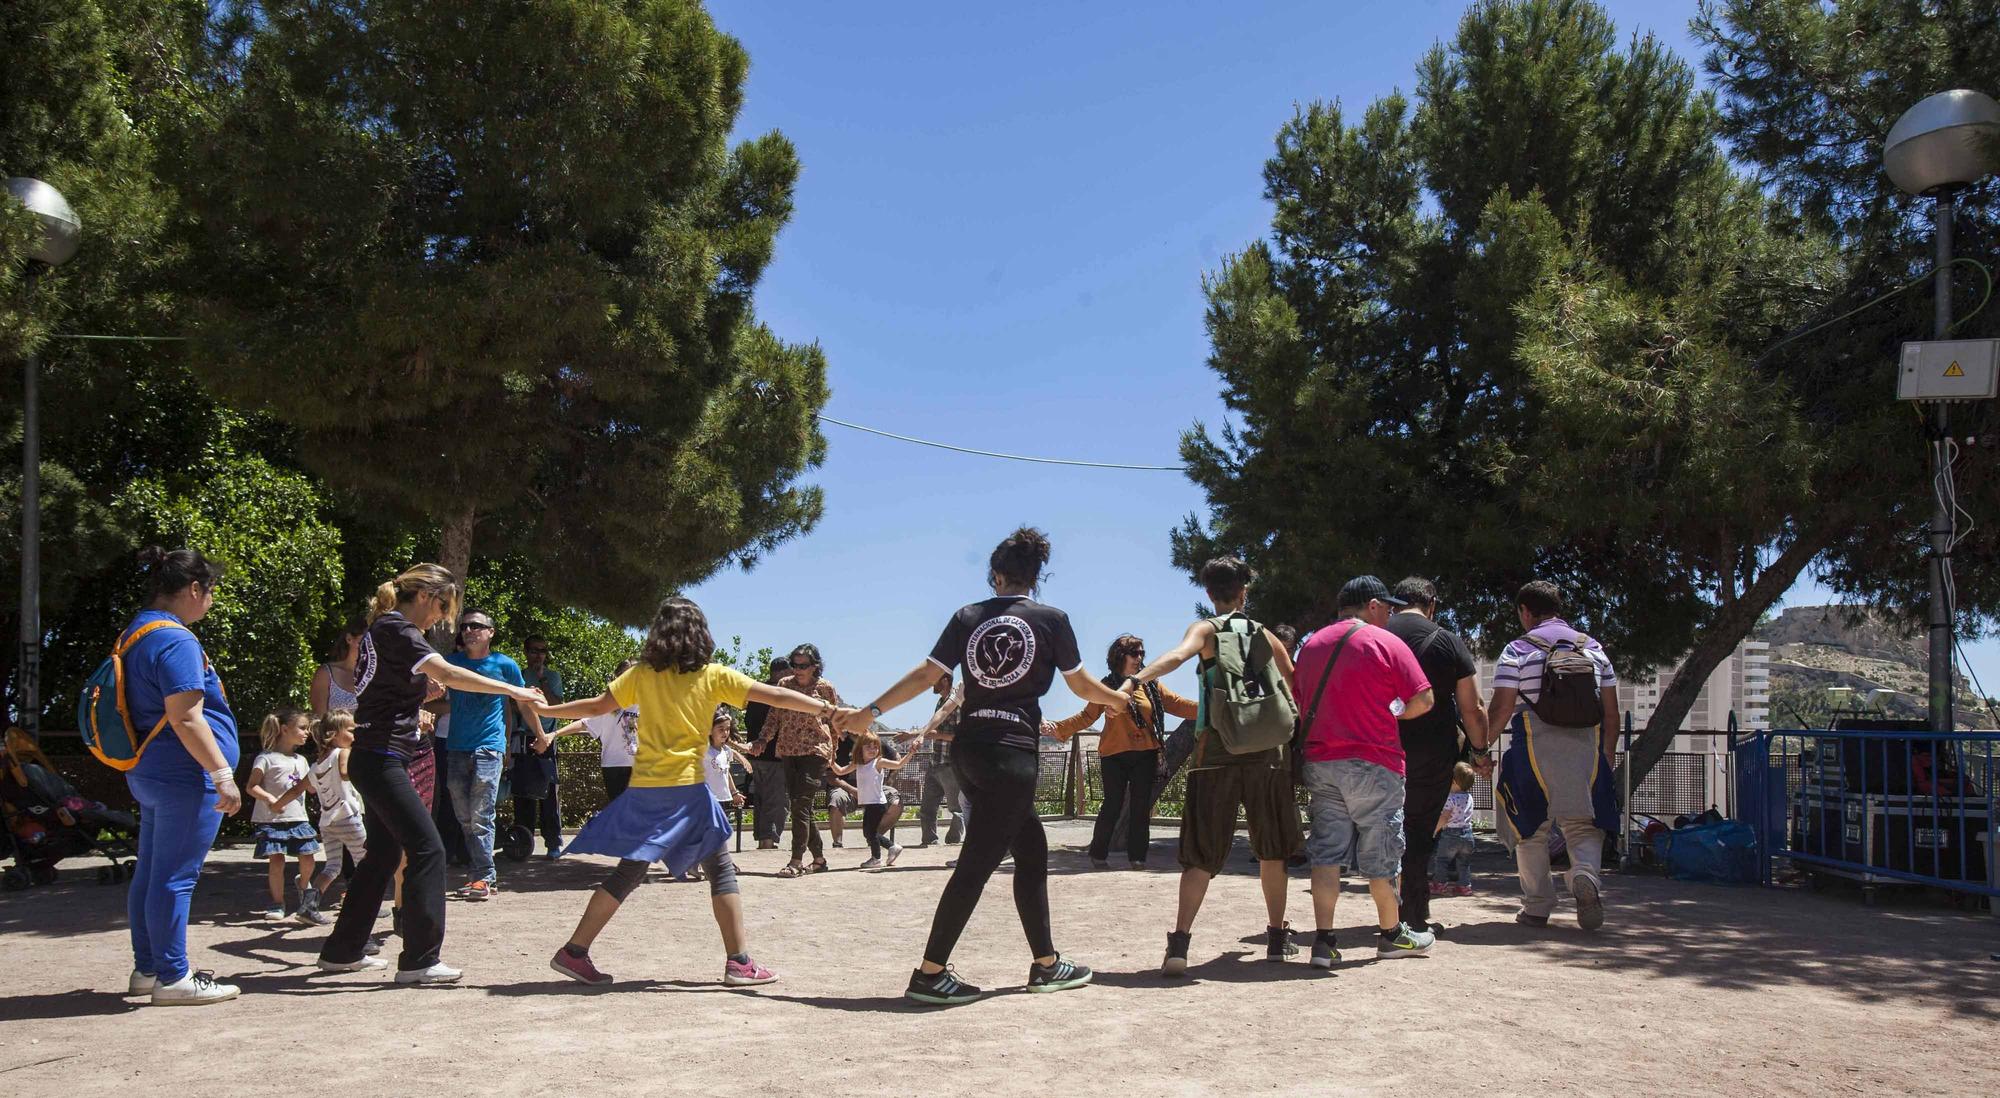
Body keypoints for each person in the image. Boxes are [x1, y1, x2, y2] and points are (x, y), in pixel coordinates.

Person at [839, 527, 1130, 1006]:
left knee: (1032, 850)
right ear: (1036, 577)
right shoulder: (1052, 619)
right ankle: (930, 974)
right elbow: (1080, 684)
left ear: (996, 575)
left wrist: (870, 711)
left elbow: (927, 674)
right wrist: (1115, 699)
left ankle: (1047, 964)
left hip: (970, 751)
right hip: (1012, 754)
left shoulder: (967, 616)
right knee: (976, 864)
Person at [537, 597, 845, 987]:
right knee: (721, 872)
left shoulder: (641, 675)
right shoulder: (713, 675)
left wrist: (548, 710)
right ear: (700, 634)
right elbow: (776, 696)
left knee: (628, 873)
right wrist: (827, 710)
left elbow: (598, 706)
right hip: (685, 791)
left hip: (646, 789)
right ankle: (739, 963)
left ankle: (574, 952)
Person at [315, 564, 545, 985]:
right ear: (424, 596)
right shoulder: (398, 630)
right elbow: (451, 674)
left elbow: (401, 687)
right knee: (428, 848)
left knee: (383, 854)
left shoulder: (380, 631)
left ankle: (342, 950)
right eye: (442, 607)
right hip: (381, 756)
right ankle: (420, 960)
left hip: (378, 755)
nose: (441, 618)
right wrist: (514, 690)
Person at [1125, 558, 1302, 975]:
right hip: (1268, 754)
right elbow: (1292, 680)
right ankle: (1277, 938)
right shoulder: (1264, 634)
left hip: (1216, 751)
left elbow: (1177, 656)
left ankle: (1180, 944)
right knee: (1272, 848)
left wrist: (1136, 681)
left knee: (1202, 852)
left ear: (1208, 593)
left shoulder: (1206, 629)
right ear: (1245, 591)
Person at [1293, 575, 1438, 967]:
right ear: (1372, 605)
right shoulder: (1387, 642)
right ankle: (1392, 935)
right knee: (1383, 851)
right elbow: (1424, 699)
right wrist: (1393, 710)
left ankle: (1323, 941)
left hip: (1321, 762)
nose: (1391, 614)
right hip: (1376, 761)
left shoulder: (1311, 647)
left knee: (1326, 851)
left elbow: (1299, 701)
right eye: (1388, 607)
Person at [120, 547, 243, 1005]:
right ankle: (173, 976)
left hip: (151, 771)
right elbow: (187, 718)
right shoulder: (176, 639)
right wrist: (221, 774)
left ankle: (148, 969)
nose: (210, 601)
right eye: (210, 592)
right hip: (183, 776)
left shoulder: (137, 631)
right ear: (194, 589)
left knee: (153, 873)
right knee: (175, 878)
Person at [1483, 580, 1621, 931]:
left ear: (1525, 612)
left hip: (1533, 744)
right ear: (1558, 608)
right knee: (1584, 824)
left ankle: (1537, 906)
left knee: (1531, 830)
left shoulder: (1517, 649)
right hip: (1585, 746)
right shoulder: (1592, 648)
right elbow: (1611, 713)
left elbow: (1500, 709)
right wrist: (1606, 756)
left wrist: (1480, 748)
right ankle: (1585, 874)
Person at [1382, 577, 1487, 932]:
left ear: (1394, 603)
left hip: (1381, 743)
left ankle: (1388, 912)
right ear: (1432, 604)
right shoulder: (1448, 640)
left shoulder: (1378, 634)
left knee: (1382, 826)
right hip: (1432, 749)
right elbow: (1471, 708)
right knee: (1420, 830)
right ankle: (1412, 915)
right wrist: (1480, 750)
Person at [1046, 634, 1196, 870]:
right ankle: (1098, 854)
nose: (1139, 658)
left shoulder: (1151, 684)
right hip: (1113, 755)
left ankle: (1138, 858)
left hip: (1146, 753)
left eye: (1142, 654)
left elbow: (1176, 703)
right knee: (1112, 805)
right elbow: (1087, 717)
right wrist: (1058, 729)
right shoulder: (1106, 687)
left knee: (1140, 807)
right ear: (1119, 657)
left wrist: (1211, 708)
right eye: (1134, 653)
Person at [441, 609, 538, 899]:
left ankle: (484, 876)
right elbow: (431, 693)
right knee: (464, 815)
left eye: (476, 626)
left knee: (481, 813)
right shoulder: (451, 663)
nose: (469, 630)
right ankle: (480, 872)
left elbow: (521, 703)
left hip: (489, 747)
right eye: (465, 626)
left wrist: (541, 734)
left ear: (490, 632)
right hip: (456, 747)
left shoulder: (505, 665)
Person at [757, 643, 843, 877]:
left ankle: (796, 860)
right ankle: (819, 859)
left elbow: (834, 723)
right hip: (788, 750)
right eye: (794, 664)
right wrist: (762, 740)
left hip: (815, 751)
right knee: (800, 807)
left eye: (803, 665)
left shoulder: (825, 688)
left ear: (814, 666)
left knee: (801, 805)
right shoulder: (784, 685)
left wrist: (832, 753)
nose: (798, 669)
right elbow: (774, 716)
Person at [247, 707, 323, 925]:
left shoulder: (302, 759)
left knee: (308, 858)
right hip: (272, 820)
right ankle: (277, 902)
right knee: (277, 862)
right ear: (284, 729)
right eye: (302, 728)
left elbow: (309, 787)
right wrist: (271, 800)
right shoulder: (266, 758)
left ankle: (303, 883)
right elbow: (251, 786)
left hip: (298, 817)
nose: (306, 732)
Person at [513, 633, 566, 859]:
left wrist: (542, 679)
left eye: (543, 651)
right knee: (523, 794)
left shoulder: (553, 677)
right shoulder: (519, 676)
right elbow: (513, 706)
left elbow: (558, 705)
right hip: (524, 739)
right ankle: (523, 845)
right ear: (526, 652)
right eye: (534, 650)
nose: (538, 655)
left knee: (549, 796)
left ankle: (553, 843)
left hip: (548, 741)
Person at [307, 711, 367, 909]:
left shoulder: (317, 764)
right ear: (333, 734)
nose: (354, 735)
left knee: (332, 867)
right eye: (351, 730)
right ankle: (360, 906)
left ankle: (309, 905)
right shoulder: (344, 752)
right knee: (365, 863)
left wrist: (277, 804)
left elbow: (304, 787)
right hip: (348, 818)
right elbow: (344, 773)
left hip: (327, 822)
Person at [833, 731, 918, 867]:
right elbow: (840, 771)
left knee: (870, 832)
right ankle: (891, 847)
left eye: (875, 747)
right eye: (868, 747)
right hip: (870, 804)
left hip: (878, 803)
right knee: (869, 832)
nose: (873, 750)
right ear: (860, 748)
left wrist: (911, 753)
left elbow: (899, 764)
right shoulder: (858, 763)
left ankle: (877, 858)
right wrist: (830, 759)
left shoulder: (879, 762)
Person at [562, 658, 640, 803]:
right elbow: (585, 723)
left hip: (640, 766)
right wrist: (554, 734)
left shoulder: (646, 703)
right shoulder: (608, 705)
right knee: (619, 811)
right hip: (613, 765)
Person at [744, 657, 793, 849]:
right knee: (778, 800)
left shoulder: (757, 693)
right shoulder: (778, 695)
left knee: (761, 799)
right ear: (780, 673)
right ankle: (768, 840)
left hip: (756, 756)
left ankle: (763, 839)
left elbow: (749, 722)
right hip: (775, 757)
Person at [915, 672, 964, 847]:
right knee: (927, 809)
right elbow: (933, 728)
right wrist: (921, 734)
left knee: (957, 809)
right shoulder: (941, 702)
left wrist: (937, 735)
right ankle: (929, 842)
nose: (931, 684)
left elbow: (960, 736)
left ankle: (953, 842)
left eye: (933, 680)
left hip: (949, 764)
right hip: (935, 762)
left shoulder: (956, 702)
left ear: (944, 680)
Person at [1431, 762, 1478, 897]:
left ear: (1454, 781)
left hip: (1451, 834)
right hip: (1468, 834)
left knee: (1442, 860)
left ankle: (1439, 884)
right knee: (1464, 862)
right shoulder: (1469, 797)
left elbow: (1445, 817)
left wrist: (1435, 829)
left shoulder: (1451, 798)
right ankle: (1464, 886)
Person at [310, 619, 366, 713]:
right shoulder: (326, 674)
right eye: (365, 640)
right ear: (349, 639)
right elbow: (319, 720)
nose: (369, 646)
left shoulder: (378, 675)